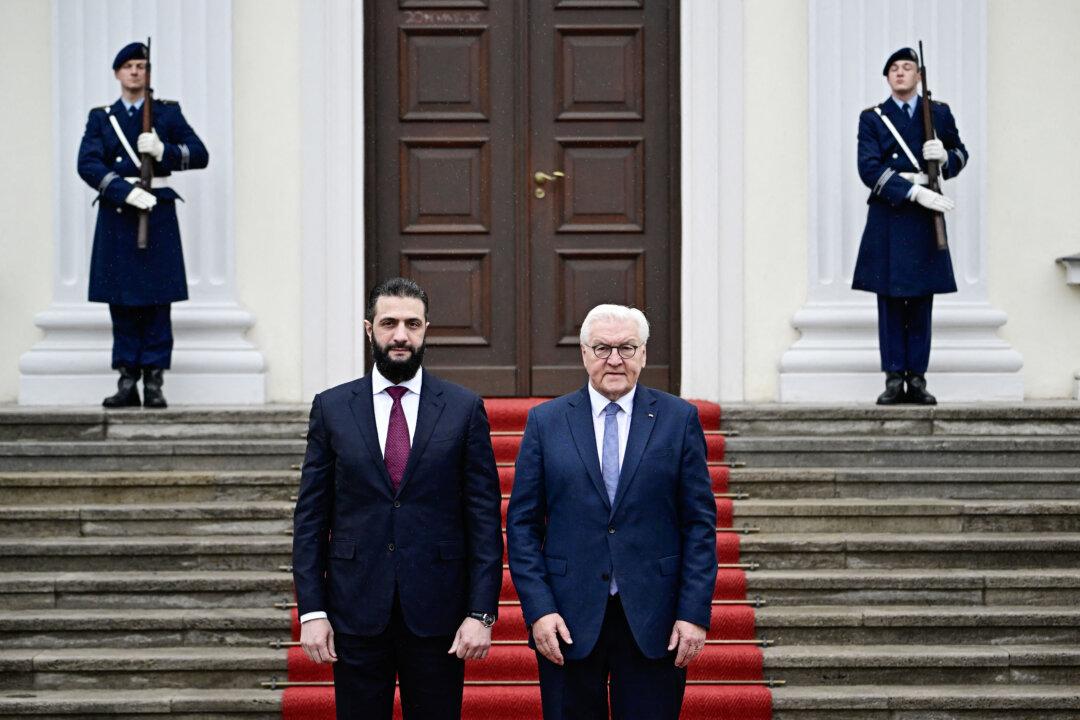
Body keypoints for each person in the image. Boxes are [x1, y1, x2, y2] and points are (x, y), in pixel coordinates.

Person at [292, 277, 504, 720]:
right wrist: (311, 610)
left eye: (412, 324)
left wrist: (481, 612)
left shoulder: (463, 409)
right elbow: (311, 518)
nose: (401, 335)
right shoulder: (332, 408)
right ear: (369, 329)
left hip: (438, 613)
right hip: (354, 609)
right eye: (389, 323)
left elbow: (483, 519)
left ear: (427, 329)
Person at [506, 304, 718, 720]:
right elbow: (523, 526)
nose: (615, 359)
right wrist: (539, 610)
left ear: (644, 353)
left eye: (627, 347)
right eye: (603, 348)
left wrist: (693, 613)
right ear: (585, 354)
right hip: (566, 619)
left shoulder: (678, 420)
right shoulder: (546, 422)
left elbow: (699, 525)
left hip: (655, 620)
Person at [77, 41, 209, 408]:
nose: (136, 72)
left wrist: (164, 151)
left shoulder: (167, 113)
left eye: (142, 66)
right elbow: (87, 163)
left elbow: (200, 154)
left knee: (157, 300)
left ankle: (153, 380)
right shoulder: (102, 117)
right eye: (129, 66)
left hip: (158, 214)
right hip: (119, 216)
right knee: (121, 301)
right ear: (117, 73)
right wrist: (124, 192)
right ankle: (126, 379)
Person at [852, 47, 969, 405]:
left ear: (919, 75)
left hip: (924, 219)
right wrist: (915, 193)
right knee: (889, 299)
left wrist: (945, 157)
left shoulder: (938, 113)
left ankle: (917, 378)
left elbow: (960, 153)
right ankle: (893, 377)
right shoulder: (873, 118)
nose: (900, 72)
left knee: (921, 298)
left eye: (907, 67)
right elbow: (869, 168)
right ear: (887, 78)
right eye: (894, 69)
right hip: (891, 212)